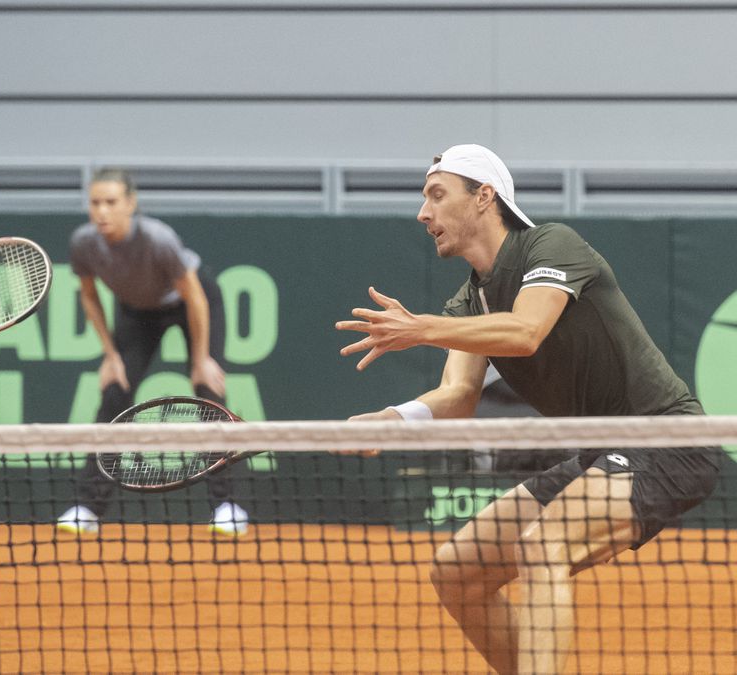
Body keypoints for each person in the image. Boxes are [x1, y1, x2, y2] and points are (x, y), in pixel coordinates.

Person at [334, 144, 721, 674]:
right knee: (456, 572)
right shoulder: (469, 301)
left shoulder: (552, 245)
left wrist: (421, 328)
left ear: (484, 197)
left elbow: (526, 331)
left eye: (437, 195)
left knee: (542, 546)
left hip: (668, 444)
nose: (423, 213)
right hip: (599, 455)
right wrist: (392, 418)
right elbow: (457, 397)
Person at [55, 168, 249, 537]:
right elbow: (89, 295)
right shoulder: (84, 243)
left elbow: (194, 295)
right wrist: (110, 355)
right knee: (114, 395)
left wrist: (201, 359)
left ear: (131, 204)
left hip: (190, 302)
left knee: (209, 395)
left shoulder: (158, 239)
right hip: (136, 312)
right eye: (95, 203)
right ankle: (88, 507)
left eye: (111, 202)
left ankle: (227, 506)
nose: (102, 212)